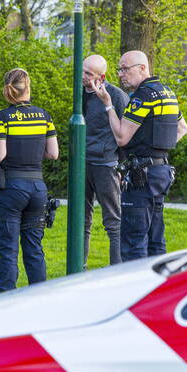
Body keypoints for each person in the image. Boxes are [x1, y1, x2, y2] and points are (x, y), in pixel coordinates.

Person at [93, 50, 187, 260]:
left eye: (125, 69)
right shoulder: (167, 93)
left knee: (133, 242)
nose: (120, 74)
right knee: (156, 240)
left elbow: (121, 138)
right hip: (161, 172)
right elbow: (182, 128)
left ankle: (135, 290)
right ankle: (157, 289)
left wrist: (108, 104)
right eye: (119, 69)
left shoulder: (142, 97)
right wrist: (157, 149)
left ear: (143, 68)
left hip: (141, 177)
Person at [0, 68, 59, 293]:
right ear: (28, 88)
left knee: (9, 250)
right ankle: (39, 298)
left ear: (7, 90)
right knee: (34, 248)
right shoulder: (44, 116)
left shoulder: (3, 118)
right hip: (38, 188)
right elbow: (53, 153)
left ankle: (5, 298)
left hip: (11, 189)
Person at [81, 54, 128, 267]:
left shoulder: (117, 97)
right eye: (82, 71)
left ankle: (116, 268)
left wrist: (122, 167)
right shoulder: (79, 94)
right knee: (81, 220)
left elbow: (126, 135)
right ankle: (78, 268)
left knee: (113, 220)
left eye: (88, 74)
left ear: (102, 77)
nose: (83, 77)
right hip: (82, 163)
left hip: (106, 163)